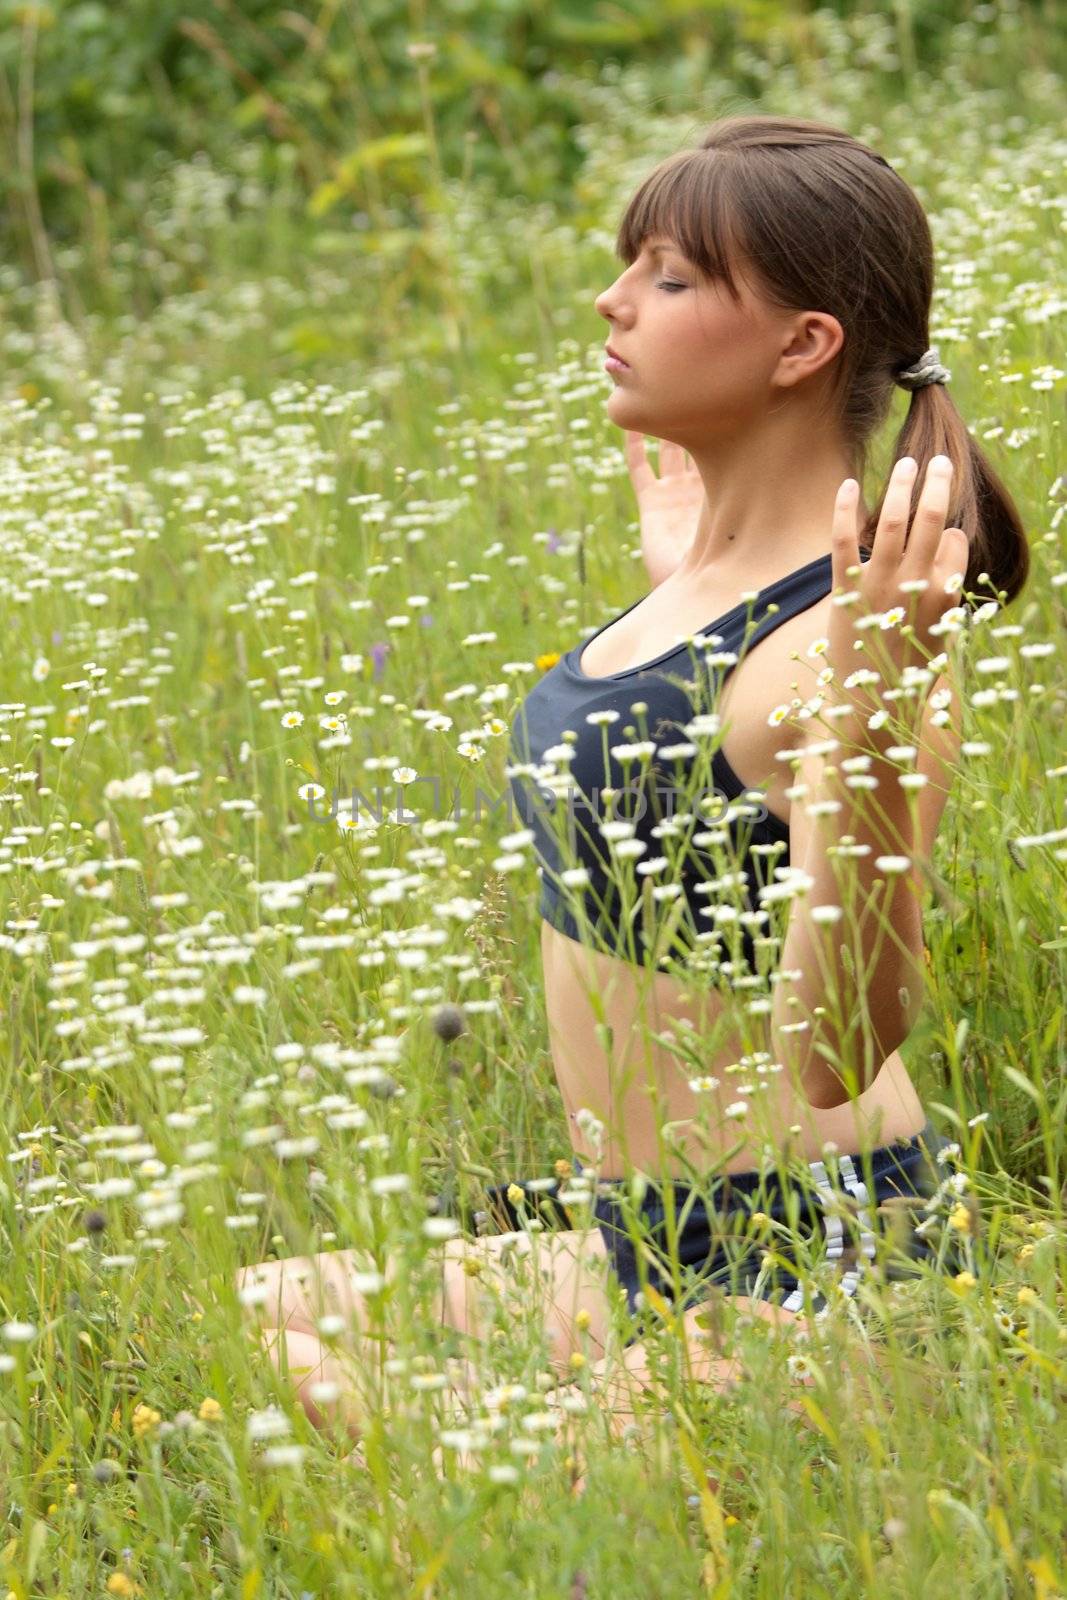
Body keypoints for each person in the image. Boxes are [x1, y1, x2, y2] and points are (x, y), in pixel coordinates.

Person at [233, 113, 1028, 1469]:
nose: (611, 302)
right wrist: (689, 576)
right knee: (266, 1316)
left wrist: (879, 732)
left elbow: (845, 1047)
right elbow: (688, 786)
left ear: (801, 344)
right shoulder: (713, 601)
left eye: (667, 275)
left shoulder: (854, 651)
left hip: (803, 1246)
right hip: (641, 1227)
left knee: (438, 1464)